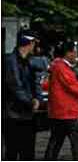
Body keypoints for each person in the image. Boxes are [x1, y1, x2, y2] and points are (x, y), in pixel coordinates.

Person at [3, 30, 41, 160]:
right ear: (29, 43)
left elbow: (35, 82)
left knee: (28, 152)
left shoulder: (29, 61)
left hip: (27, 114)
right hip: (13, 114)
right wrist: (31, 101)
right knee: (12, 151)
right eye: (34, 43)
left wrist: (37, 98)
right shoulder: (10, 61)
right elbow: (15, 86)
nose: (35, 46)